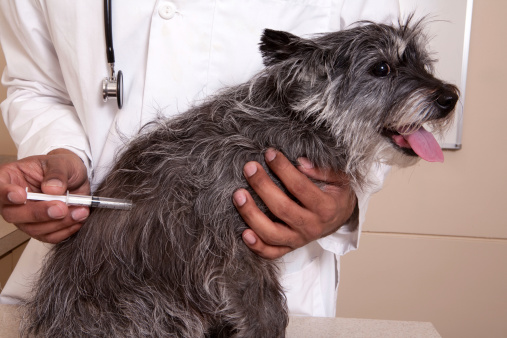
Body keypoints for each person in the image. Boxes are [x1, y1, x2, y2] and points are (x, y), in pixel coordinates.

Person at [0, 0, 398, 317]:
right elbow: (36, 85)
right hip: (96, 267)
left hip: (269, 279)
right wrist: (59, 149)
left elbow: (389, 102)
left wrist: (343, 202)